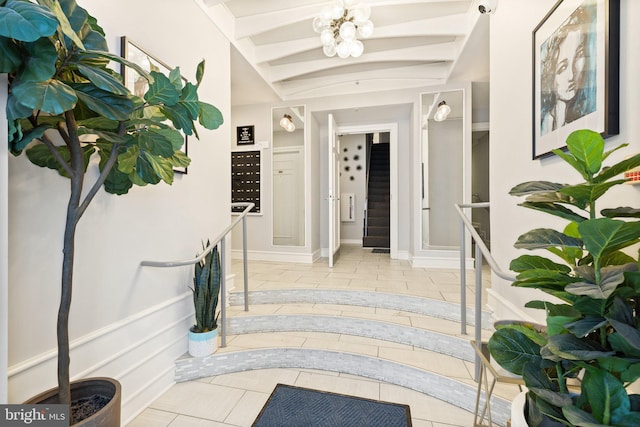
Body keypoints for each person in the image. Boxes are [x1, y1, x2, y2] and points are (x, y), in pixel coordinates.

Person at [540, 2, 596, 135]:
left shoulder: (584, 118)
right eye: (562, 67)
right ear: (550, 76)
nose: (571, 75)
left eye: (579, 56)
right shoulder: (545, 124)